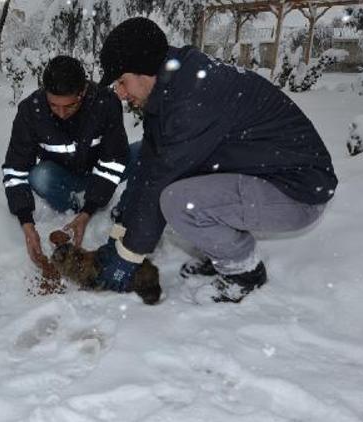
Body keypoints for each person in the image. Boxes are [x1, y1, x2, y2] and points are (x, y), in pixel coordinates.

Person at [94, 17, 338, 303]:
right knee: (171, 189)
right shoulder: (170, 91)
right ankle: (222, 251)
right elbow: (148, 166)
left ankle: (244, 273)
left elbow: (159, 182)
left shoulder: (192, 100)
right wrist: (121, 230)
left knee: (175, 200)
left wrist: (129, 256)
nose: (120, 94)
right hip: (264, 175)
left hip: (297, 192)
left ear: (144, 71)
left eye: (122, 82)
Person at [2, 55, 136, 265]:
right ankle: (72, 205)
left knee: (144, 151)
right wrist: (26, 224)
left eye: (70, 106)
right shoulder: (31, 111)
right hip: (62, 178)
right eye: (54, 106)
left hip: (99, 175)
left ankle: (95, 205)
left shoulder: (105, 103)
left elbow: (113, 160)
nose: (62, 113)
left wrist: (88, 211)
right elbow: (15, 170)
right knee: (40, 176)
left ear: (82, 92)